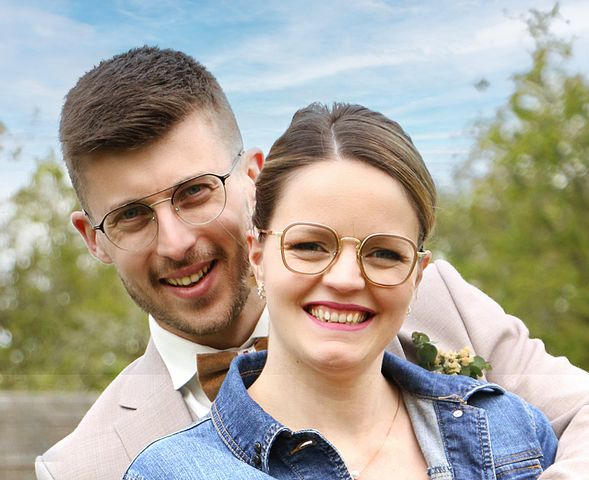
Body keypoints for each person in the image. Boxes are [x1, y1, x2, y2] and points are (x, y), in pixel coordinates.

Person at [35, 46, 589, 480]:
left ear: (253, 178)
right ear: (92, 237)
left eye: (195, 191)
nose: (174, 242)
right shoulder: (88, 466)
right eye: (132, 216)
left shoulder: (426, 295)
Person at [125, 102, 559, 479]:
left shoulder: (512, 432)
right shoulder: (170, 473)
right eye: (310, 246)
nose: (347, 279)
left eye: (385, 254)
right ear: (258, 254)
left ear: (417, 275)